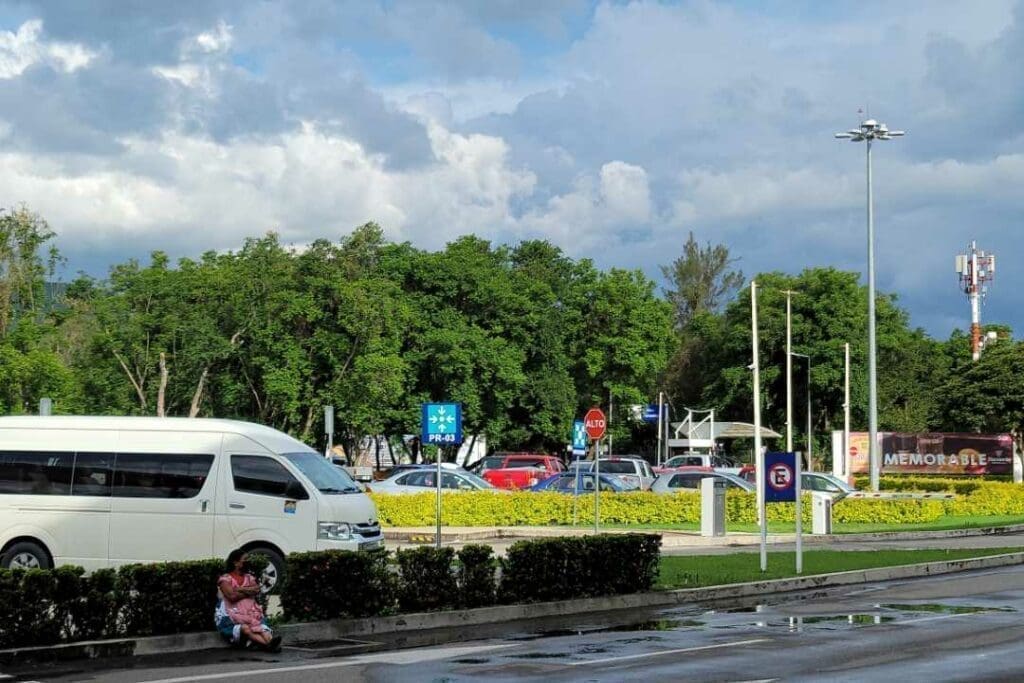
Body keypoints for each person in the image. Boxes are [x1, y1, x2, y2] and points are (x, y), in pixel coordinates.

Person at [215, 549, 282, 652]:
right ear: (236, 563)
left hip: (251, 612)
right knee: (246, 628)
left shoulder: (249, 577)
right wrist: (248, 591)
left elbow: (256, 590)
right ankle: (269, 644)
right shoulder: (225, 579)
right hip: (233, 614)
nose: (248, 561)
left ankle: (268, 643)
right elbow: (231, 596)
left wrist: (240, 589)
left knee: (261, 628)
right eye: (245, 559)